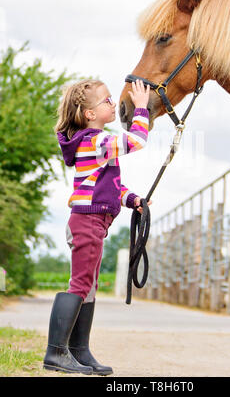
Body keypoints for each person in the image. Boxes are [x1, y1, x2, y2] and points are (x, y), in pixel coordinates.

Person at [43, 78, 151, 375]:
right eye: (107, 101)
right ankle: (56, 353)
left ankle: (79, 351)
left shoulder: (96, 145)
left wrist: (133, 200)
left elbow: (110, 186)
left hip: (92, 222)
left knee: (88, 287)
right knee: (80, 285)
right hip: (88, 222)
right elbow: (137, 141)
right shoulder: (95, 141)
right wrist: (142, 108)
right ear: (89, 113)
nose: (113, 103)